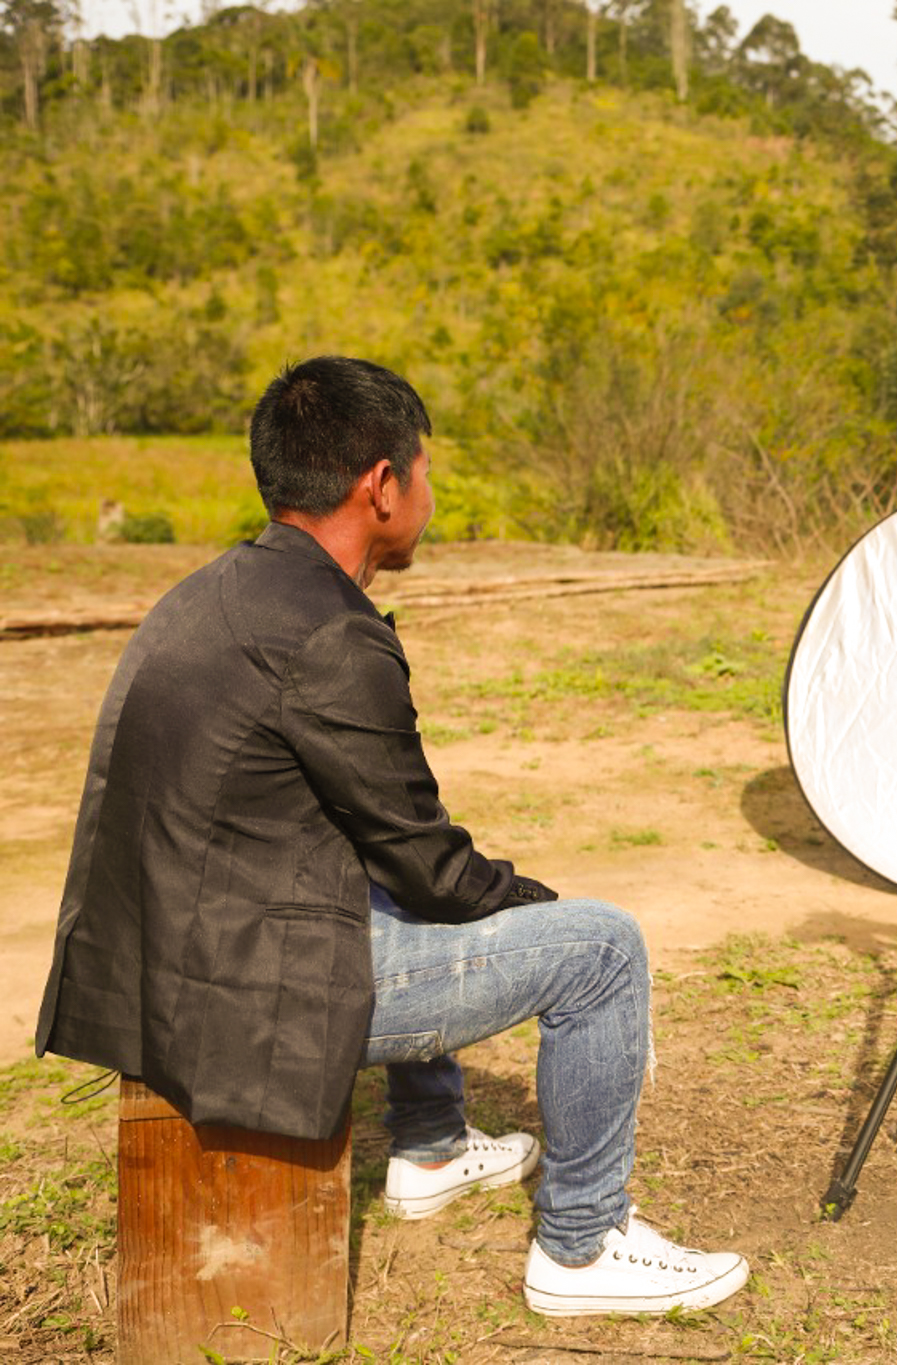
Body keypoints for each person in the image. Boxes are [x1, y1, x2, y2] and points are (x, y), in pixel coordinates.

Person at [34, 356, 748, 1316]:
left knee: (385, 880)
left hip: (168, 960)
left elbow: (385, 844)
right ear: (382, 485)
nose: (430, 495)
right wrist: (551, 908)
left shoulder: (218, 590)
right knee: (603, 949)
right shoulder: (331, 634)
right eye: (425, 472)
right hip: (243, 997)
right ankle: (582, 1249)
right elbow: (434, 865)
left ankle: (430, 1145)